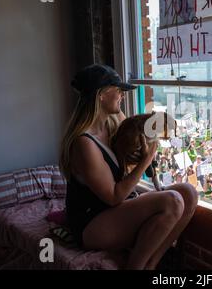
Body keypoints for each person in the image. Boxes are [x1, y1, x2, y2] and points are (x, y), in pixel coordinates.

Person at [60, 64, 198, 270]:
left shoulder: (114, 120)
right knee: (173, 201)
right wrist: (147, 159)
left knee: (188, 193)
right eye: (118, 90)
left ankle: (150, 264)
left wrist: (155, 132)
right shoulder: (84, 143)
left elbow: (133, 142)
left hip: (116, 209)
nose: (122, 95)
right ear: (102, 95)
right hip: (92, 223)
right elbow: (114, 196)